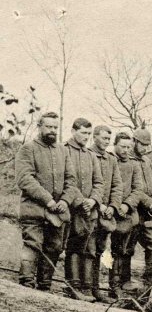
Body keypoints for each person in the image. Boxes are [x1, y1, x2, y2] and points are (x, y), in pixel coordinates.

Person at [15, 112, 78, 291]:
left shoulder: (63, 151)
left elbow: (71, 180)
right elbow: (25, 179)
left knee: (55, 247)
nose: (52, 130)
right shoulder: (27, 149)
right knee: (32, 244)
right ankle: (26, 284)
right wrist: (48, 200)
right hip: (34, 209)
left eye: (55, 127)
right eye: (48, 126)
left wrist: (65, 201)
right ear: (39, 126)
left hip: (58, 211)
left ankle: (45, 286)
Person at [63, 118, 105, 301]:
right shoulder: (64, 151)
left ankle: (87, 287)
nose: (86, 137)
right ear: (73, 132)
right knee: (73, 246)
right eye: (83, 133)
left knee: (89, 248)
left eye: (89, 133)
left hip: (90, 210)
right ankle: (73, 286)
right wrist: (80, 201)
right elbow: (67, 181)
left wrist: (93, 200)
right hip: (73, 209)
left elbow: (99, 183)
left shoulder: (91, 155)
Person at [109, 132, 146, 298]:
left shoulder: (134, 164)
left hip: (128, 212)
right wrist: (116, 205)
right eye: (122, 146)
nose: (125, 150)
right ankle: (114, 285)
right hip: (110, 211)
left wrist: (127, 204)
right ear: (115, 145)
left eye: (128, 147)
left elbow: (139, 189)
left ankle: (125, 281)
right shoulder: (109, 160)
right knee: (114, 250)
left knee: (127, 249)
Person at [89, 125, 123, 303]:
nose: (106, 142)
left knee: (101, 250)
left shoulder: (111, 159)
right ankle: (83, 287)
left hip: (107, 214)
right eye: (103, 138)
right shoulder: (88, 154)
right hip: (90, 211)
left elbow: (117, 185)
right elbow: (88, 184)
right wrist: (98, 204)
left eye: (108, 139)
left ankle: (95, 289)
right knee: (88, 248)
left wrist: (113, 206)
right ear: (94, 137)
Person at [130, 129, 152, 284]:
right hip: (133, 208)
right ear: (134, 141)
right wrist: (149, 201)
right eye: (141, 144)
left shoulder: (147, 161)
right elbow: (134, 189)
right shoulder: (127, 159)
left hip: (148, 211)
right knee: (127, 245)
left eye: (146, 145)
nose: (144, 148)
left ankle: (151, 281)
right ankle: (122, 282)